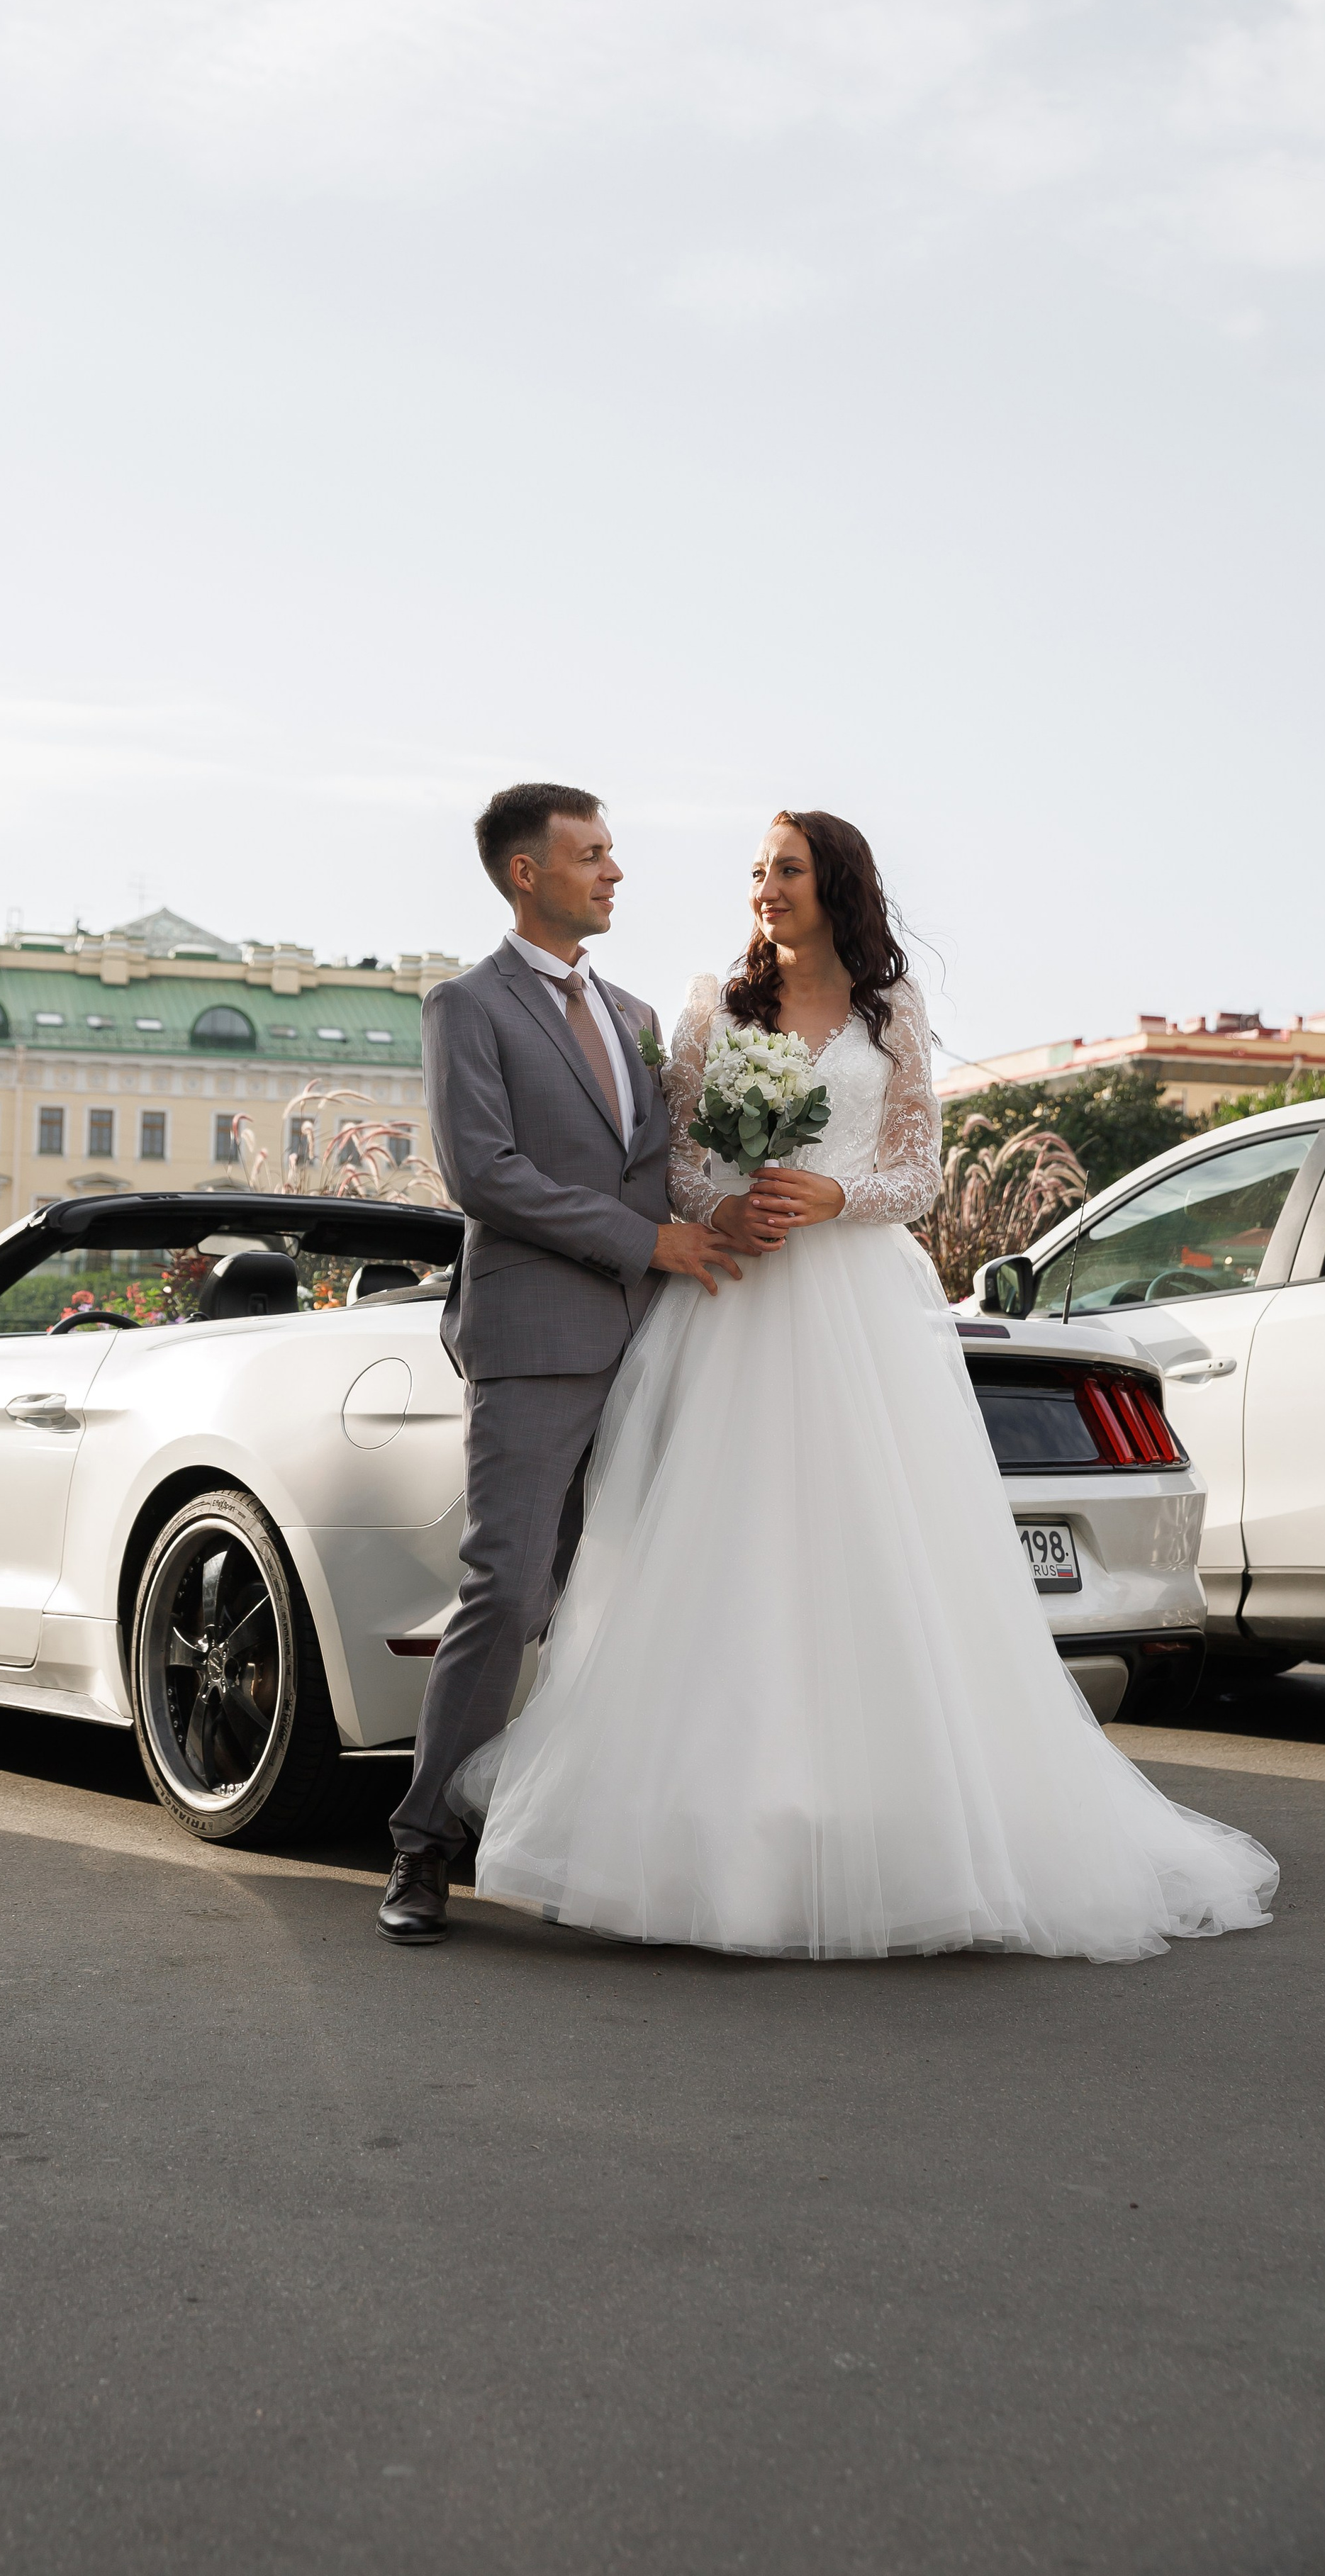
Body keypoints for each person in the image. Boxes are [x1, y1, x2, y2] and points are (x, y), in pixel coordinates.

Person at [449, 810, 1278, 1963]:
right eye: (756, 871)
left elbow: (918, 1169)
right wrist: (725, 1204)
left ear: (835, 885)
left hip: (858, 1313)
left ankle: (893, 1825)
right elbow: (678, 1159)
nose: (764, 888)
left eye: (784, 870)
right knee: (720, 1560)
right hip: (732, 1299)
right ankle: (718, 1836)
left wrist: (834, 1197)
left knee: (870, 1560)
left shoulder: (894, 1015)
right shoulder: (712, 1012)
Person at [377, 783, 748, 1943]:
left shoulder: (640, 1017)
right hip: (538, 1339)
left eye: (614, 852)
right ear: (525, 873)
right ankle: (424, 1844)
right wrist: (650, 1242)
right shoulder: (466, 1006)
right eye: (591, 855)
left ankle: (593, 1843)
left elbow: (665, 1168)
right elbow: (484, 1174)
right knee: (509, 1590)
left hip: (658, 1339)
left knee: (639, 1598)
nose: (615, 872)